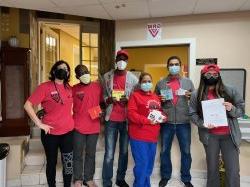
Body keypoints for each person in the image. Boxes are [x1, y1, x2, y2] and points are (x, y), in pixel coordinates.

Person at [189, 64, 245, 187]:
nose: (212, 76)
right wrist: (202, 123)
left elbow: (241, 110)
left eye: (215, 74)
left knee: (233, 169)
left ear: (219, 76)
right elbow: (192, 114)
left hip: (229, 136)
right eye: (208, 74)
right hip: (210, 137)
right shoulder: (196, 94)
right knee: (212, 169)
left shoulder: (231, 90)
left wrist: (232, 108)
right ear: (203, 76)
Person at [24, 60, 74, 187]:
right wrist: (39, 124)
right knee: (51, 162)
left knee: (68, 162)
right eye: (60, 67)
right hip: (50, 133)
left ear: (68, 73)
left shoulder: (69, 88)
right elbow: (27, 105)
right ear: (54, 70)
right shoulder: (44, 87)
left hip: (68, 132)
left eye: (66, 69)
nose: (63, 70)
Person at [155, 56, 194, 187]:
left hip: (184, 121)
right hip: (167, 122)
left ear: (180, 66)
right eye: (171, 64)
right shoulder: (161, 83)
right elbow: (155, 103)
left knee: (186, 151)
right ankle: (165, 176)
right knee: (165, 151)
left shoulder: (188, 82)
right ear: (168, 67)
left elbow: (196, 101)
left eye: (176, 64)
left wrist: (191, 96)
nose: (173, 66)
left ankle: (186, 178)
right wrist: (159, 99)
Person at [102, 49, 138, 187]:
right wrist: (108, 99)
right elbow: (104, 95)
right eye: (119, 58)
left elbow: (136, 100)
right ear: (116, 60)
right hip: (111, 119)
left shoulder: (134, 79)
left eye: (124, 59)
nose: (121, 61)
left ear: (127, 62)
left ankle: (120, 178)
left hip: (126, 121)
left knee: (123, 152)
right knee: (109, 153)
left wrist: (128, 100)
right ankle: (107, 181)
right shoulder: (107, 76)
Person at [128, 72, 166, 187]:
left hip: (153, 136)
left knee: (149, 165)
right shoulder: (135, 96)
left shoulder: (155, 97)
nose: (147, 83)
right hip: (139, 136)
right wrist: (147, 121)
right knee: (142, 164)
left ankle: (145, 184)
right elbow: (131, 114)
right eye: (144, 81)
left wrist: (163, 117)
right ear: (140, 83)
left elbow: (158, 112)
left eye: (149, 81)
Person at [72, 65, 103, 187]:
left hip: (93, 126)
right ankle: (78, 179)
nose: (84, 74)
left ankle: (88, 178)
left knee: (91, 153)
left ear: (89, 72)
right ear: (77, 77)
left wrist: (101, 111)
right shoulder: (74, 89)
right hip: (78, 126)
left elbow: (102, 103)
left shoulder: (97, 87)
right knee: (78, 154)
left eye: (86, 71)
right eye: (81, 73)